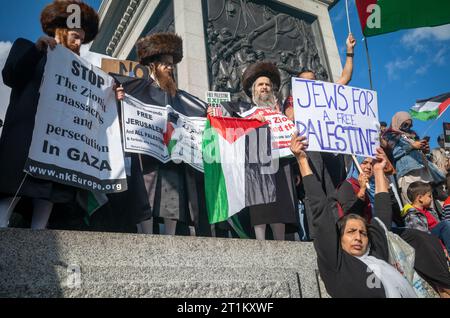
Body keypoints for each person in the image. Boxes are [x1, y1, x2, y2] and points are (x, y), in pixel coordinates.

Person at [0, 0, 99, 229]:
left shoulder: (81, 70)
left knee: (50, 188)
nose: (78, 43)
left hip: (58, 139)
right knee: (15, 183)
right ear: (62, 31)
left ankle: (40, 229)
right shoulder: (27, 47)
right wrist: (37, 50)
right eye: (75, 36)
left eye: (82, 39)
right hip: (25, 133)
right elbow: (11, 76)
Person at [290, 133, 418, 297]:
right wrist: (302, 160)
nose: (358, 237)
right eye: (351, 232)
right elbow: (320, 208)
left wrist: (378, 171)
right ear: (338, 238)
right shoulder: (337, 263)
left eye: (363, 233)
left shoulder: (377, 255)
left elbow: (382, 214)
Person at [115, 32, 209, 236]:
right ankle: (147, 236)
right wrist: (118, 97)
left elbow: (200, 109)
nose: (170, 68)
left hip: (172, 154)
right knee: (145, 194)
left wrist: (210, 112)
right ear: (152, 66)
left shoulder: (179, 95)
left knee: (172, 197)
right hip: (145, 152)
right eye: (165, 64)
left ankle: (170, 237)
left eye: (171, 64)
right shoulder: (135, 87)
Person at [208, 61, 298, 240]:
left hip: (282, 164)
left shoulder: (282, 116)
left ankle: (281, 243)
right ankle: (260, 241)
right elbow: (229, 127)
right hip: (257, 166)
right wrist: (214, 113)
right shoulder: (245, 112)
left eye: (267, 85)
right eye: (260, 85)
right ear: (253, 90)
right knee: (260, 204)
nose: (264, 88)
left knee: (281, 203)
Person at [385, 112, 446, 206]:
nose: (408, 127)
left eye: (410, 125)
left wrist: (425, 151)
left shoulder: (413, 135)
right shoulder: (390, 136)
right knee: (414, 204)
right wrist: (411, 146)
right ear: (397, 122)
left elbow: (423, 154)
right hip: (409, 174)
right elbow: (393, 154)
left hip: (424, 172)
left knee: (429, 205)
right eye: (405, 124)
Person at [403, 181, 450, 254]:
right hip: (431, 242)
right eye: (429, 196)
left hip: (438, 240)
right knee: (445, 224)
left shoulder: (430, 211)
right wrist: (442, 248)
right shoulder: (412, 215)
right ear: (420, 198)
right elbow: (423, 237)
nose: (431, 199)